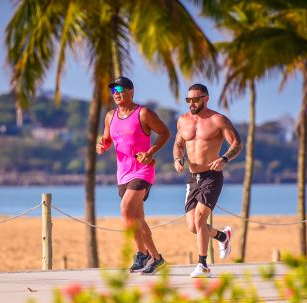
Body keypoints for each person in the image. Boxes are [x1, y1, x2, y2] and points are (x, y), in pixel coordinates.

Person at [97, 76, 171, 274]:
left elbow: (165, 133)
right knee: (137, 219)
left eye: (121, 89)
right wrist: (102, 145)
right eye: (113, 91)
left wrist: (151, 152)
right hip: (123, 174)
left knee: (125, 208)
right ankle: (157, 259)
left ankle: (142, 253)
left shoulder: (143, 113)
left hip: (143, 169)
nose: (117, 94)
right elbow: (106, 140)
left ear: (131, 91)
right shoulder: (110, 116)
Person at [173, 84, 243, 278]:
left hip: (212, 176)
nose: (192, 103)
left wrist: (224, 159)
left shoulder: (218, 120)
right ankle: (223, 236)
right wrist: (178, 159)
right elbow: (178, 144)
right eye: (189, 100)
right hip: (192, 178)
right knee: (193, 226)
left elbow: (237, 143)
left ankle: (203, 265)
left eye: (196, 99)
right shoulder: (183, 121)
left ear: (206, 98)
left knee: (200, 218)